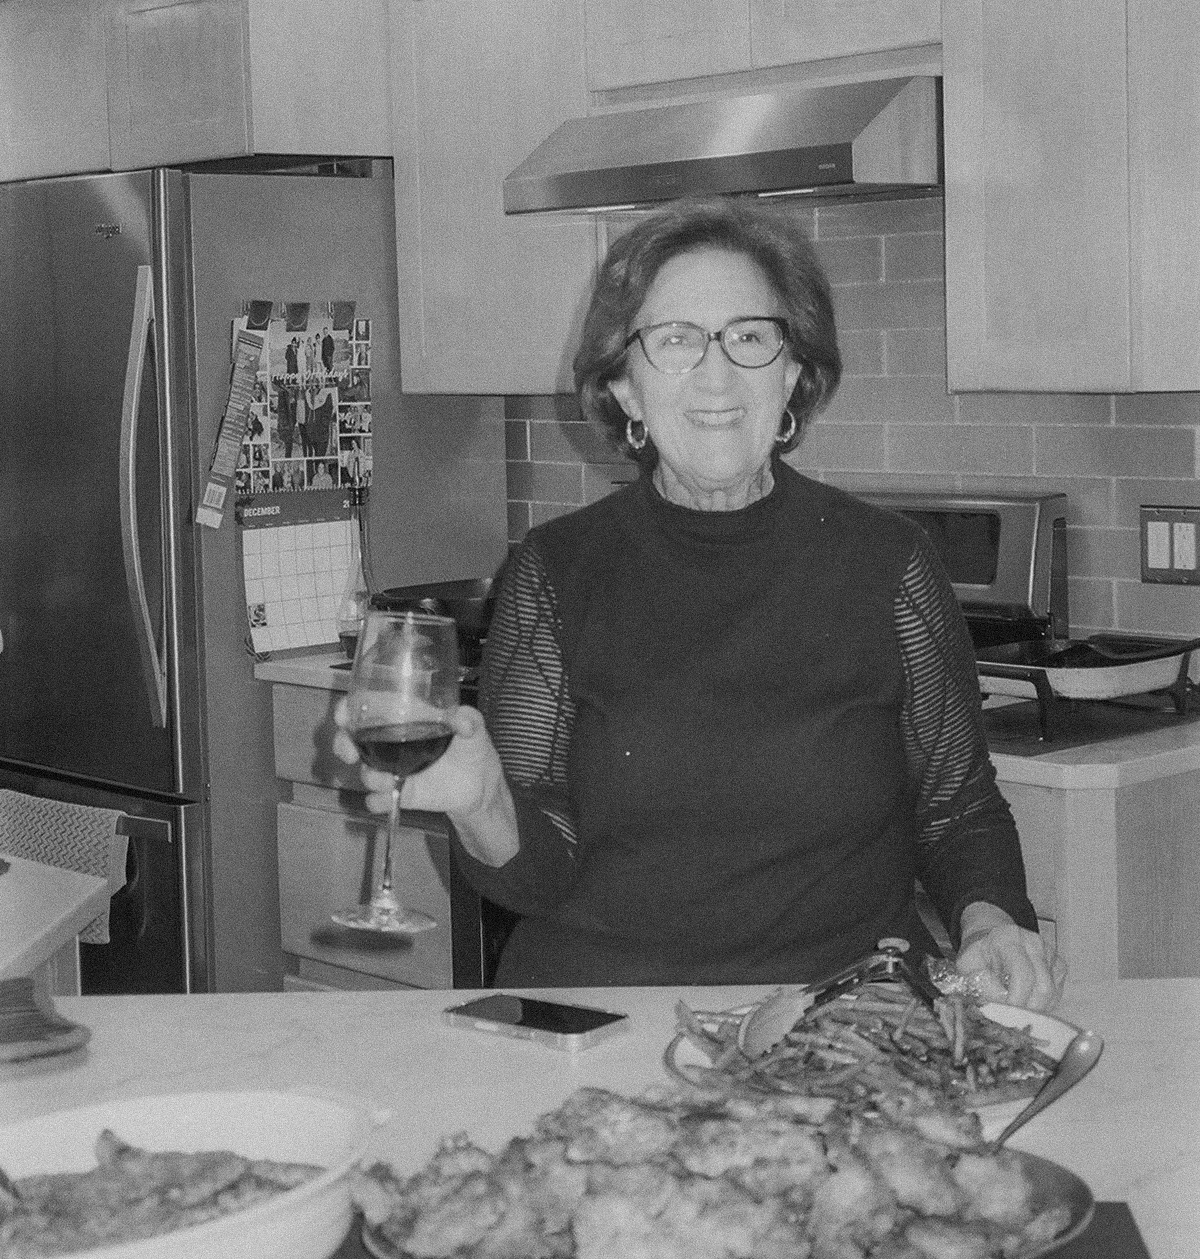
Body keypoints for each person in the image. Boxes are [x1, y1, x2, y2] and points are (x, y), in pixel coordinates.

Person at [337, 196, 1063, 1007]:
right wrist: (481, 803)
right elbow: (535, 879)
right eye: (676, 340)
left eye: (749, 338)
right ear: (625, 386)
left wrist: (991, 919)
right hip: (605, 1020)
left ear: (793, 373)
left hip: (842, 1019)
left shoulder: (890, 563)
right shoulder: (556, 571)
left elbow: (957, 806)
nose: (717, 376)